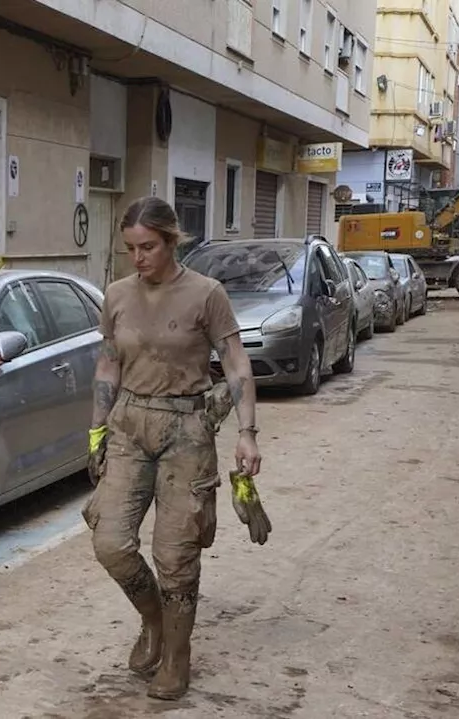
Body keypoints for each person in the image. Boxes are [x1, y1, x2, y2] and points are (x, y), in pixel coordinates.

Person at [83, 196, 263, 701]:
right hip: (129, 426)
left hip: (187, 429)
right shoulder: (117, 295)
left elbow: (235, 364)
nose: (138, 258)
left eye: (148, 247)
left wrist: (247, 432)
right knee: (111, 543)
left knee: (175, 554)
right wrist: (97, 430)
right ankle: (154, 621)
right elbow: (107, 364)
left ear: (171, 240)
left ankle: (177, 658)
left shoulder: (206, 294)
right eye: (130, 249)